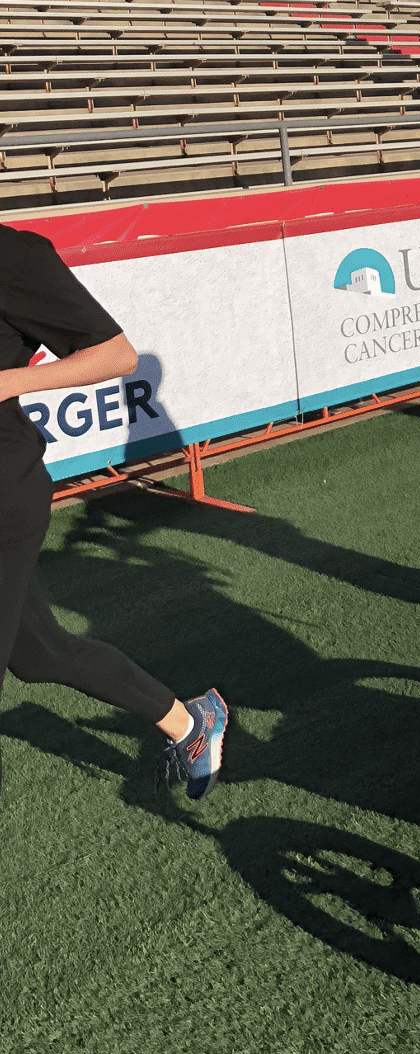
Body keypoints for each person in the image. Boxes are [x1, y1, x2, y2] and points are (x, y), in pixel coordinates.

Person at [0, 224, 227, 800]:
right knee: (38, 652)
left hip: (3, 491)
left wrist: (6, 381)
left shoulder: (12, 255)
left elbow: (116, 355)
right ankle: (189, 722)